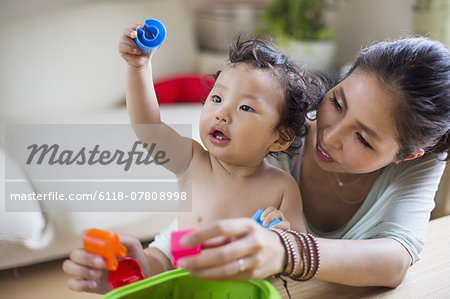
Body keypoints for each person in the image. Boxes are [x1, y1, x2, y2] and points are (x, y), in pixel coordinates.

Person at [62, 23, 324, 293]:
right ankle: (131, 272)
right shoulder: (192, 160)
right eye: (217, 97)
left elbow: (300, 249)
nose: (222, 113)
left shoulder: (282, 187)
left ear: (280, 138)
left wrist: (282, 237)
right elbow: (148, 128)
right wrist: (139, 68)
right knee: (150, 263)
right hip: (176, 263)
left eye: (246, 107)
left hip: (237, 285)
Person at [171, 36, 450, 288]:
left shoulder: (420, 162)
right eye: (337, 104)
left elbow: (394, 261)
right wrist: (152, 258)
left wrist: (288, 250)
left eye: (362, 139)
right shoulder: (277, 131)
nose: (329, 135)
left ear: (407, 155)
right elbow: (201, 212)